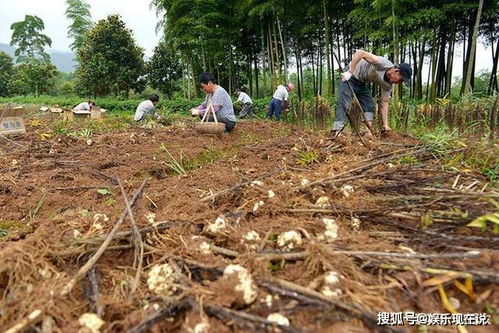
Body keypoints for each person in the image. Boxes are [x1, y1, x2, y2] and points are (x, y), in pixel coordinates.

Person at [332, 49, 412, 138]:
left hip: (361, 81)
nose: (399, 83)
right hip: (350, 76)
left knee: (369, 105)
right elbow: (360, 53)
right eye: (400, 79)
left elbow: (384, 103)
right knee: (345, 102)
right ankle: (338, 130)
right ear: (396, 71)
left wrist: (386, 124)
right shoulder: (383, 64)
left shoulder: (388, 85)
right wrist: (350, 72)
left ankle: (367, 131)